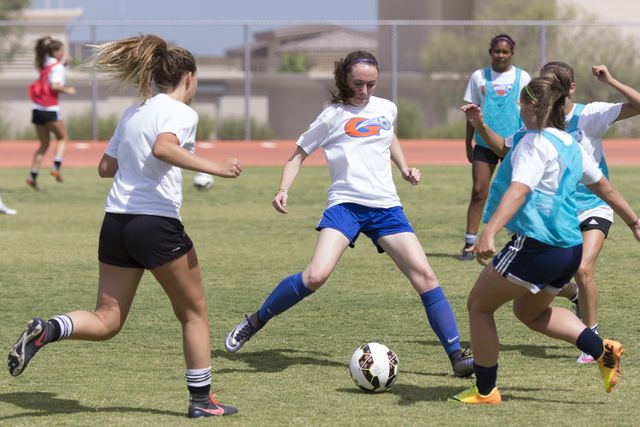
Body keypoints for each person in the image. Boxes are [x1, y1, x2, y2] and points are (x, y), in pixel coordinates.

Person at [8, 34, 242, 418]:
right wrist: (216, 167)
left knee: (107, 320)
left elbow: (106, 168)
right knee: (193, 313)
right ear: (188, 78)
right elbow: (164, 148)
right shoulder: (183, 112)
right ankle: (201, 402)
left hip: (116, 223)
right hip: (155, 223)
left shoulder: (135, 111)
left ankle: (48, 329)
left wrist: (136, 158)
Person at [223, 50, 474, 378]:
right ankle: (255, 321)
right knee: (315, 276)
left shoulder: (386, 108)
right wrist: (282, 189)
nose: (365, 91)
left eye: (371, 84)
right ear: (344, 79)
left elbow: (389, 136)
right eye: (358, 84)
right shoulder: (332, 116)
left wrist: (404, 167)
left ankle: (457, 358)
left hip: (386, 208)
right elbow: (297, 156)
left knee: (426, 277)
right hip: (345, 207)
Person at [449, 70, 640, 405]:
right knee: (529, 312)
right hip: (569, 248)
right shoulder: (569, 143)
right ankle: (604, 351)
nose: (518, 111)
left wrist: (489, 230)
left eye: (521, 105)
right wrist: (634, 222)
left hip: (537, 244)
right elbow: (605, 189)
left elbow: (520, 190)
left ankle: (485, 391)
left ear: (533, 108)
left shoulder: (533, 143)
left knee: (479, 306)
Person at [458, 34, 531, 261]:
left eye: (505, 52)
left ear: (512, 54)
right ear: (491, 52)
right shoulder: (478, 76)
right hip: (483, 143)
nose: (501, 55)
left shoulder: (523, 77)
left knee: (517, 191)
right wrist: (468, 142)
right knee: (480, 191)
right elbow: (470, 111)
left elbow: (529, 109)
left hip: (513, 144)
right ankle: (470, 244)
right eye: (497, 51)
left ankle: (523, 241)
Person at [26, 36, 77, 191]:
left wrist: (63, 65)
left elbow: (52, 72)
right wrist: (68, 90)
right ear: (55, 51)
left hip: (37, 109)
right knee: (62, 138)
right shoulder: (57, 67)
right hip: (50, 109)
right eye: (61, 50)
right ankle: (56, 166)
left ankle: (32, 175)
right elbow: (54, 85)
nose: (63, 53)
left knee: (44, 144)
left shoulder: (44, 64)